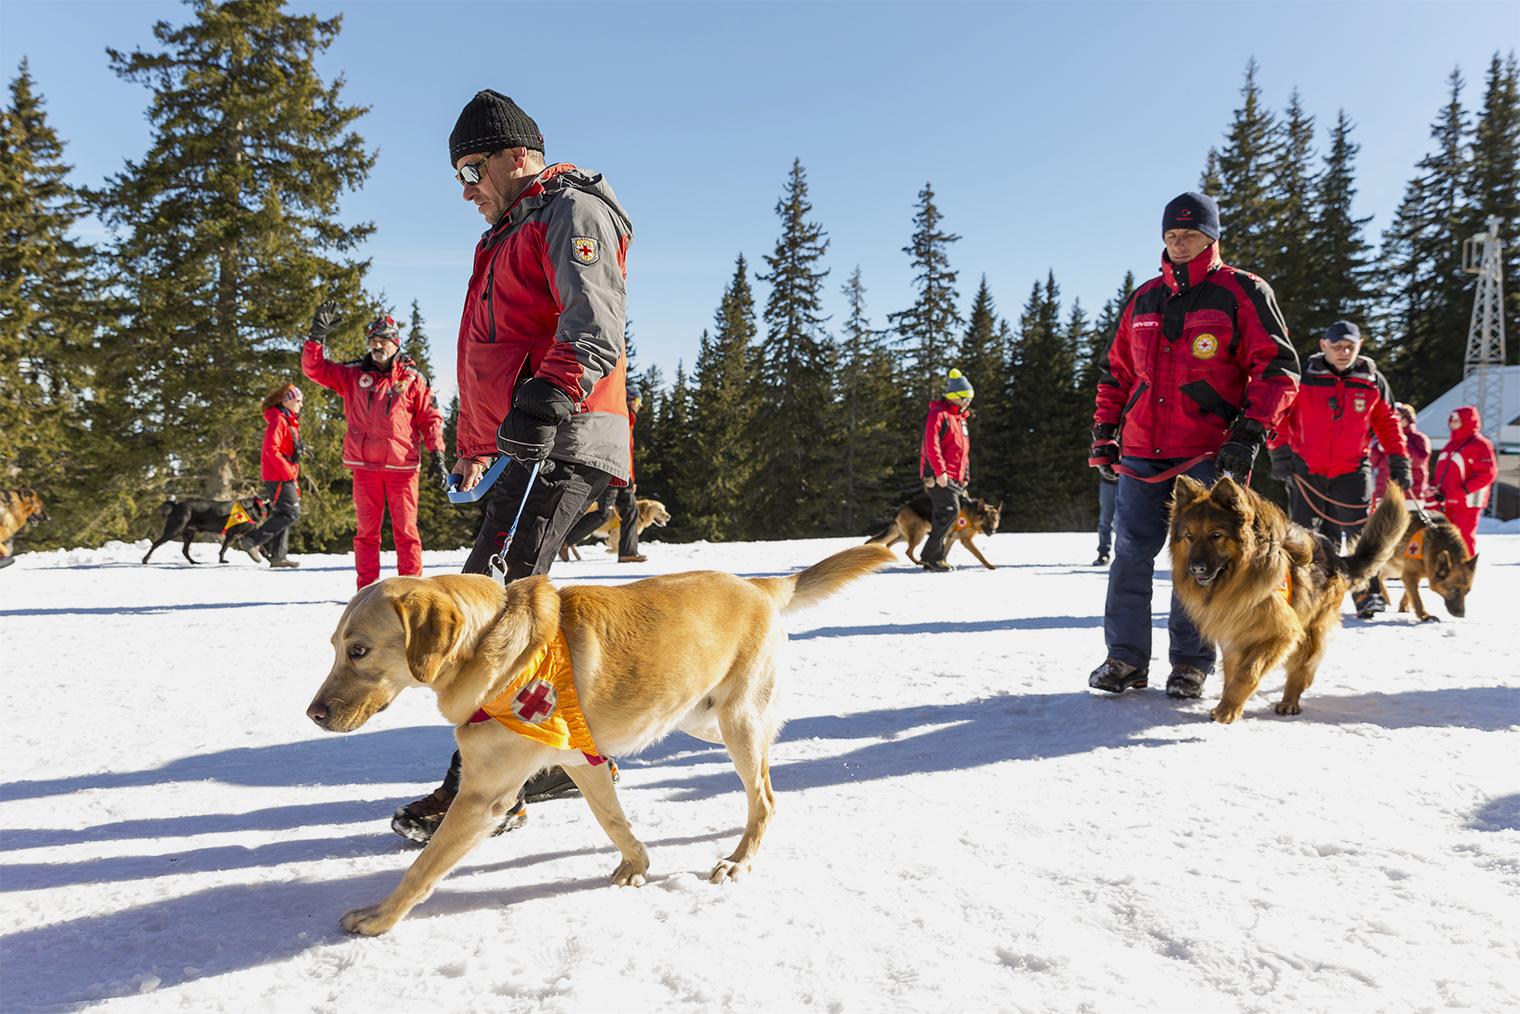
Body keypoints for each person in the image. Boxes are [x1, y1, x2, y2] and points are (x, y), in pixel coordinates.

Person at [390, 90, 635, 845]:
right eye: (457, 174)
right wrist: (477, 441)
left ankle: (486, 790)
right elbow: (493, 352)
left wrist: (546, 400)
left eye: (472, 168)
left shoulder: (570, 209)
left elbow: (595, 321)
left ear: (514, 154)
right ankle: (553, 760)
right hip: (522, 446)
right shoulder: (507, 230)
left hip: (564, 437)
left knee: (493, 610)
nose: (466, 189)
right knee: (502, 599)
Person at [1087, 192, 1299, 699]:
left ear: (1212, 237)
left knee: (1202, 558)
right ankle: (1124, 660)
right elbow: (1116, 374)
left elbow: (1277, 368)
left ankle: (1191, 663)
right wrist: (1104, 433)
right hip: (1141, 452)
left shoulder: (1242, 291)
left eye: (1190, 235)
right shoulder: (1143, 300)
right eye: (1171, 235)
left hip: (1210, 453)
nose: (1179, 243)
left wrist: (1249, 433)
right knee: (1131, 555)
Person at [1266, 321, 1410, 617]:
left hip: (1352, 469)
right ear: (1323, 345)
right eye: (1337, 346)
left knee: (1359, 533)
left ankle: (1367, 595)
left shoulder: (1372, 380)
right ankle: (1302, 593)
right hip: (1307, 469)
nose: (1344, 352)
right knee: (1303, 535)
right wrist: (1279, 453)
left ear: (1359, 346)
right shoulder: (1303, 377)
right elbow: (1280, 415)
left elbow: (1387, 423)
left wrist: (1399, 459)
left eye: (1350, 346)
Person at [302, 305, 447, 590]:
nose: (377, 345)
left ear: (396, 343)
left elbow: (430, 418)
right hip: (365, 467)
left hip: (402, 467)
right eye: (373, 340)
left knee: (406, 532)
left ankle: (410, 590)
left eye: (383, 339)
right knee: (366, 533)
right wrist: (316, 336)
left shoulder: (414, 379)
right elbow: (315, 369)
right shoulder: (354, 375)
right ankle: (366, 590)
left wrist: (437, 454)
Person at [563, 389, 646, 562]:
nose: (640, 406)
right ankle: (565, 540)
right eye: (638, 401)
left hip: (623, 472)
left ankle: (627, 552)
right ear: (630, 400)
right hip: (611, 469)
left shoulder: (629, 420)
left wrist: (631, 477)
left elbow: (628, 453)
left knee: (631, 509)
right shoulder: (619, 417)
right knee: (604, 514)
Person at [919, 368, 973, 573]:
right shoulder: (938, 414)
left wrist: (965, 474)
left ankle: (931, 556)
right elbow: (930, 445)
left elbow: (963, 450)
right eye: (964, 398)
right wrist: (938, 472)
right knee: (949, 512)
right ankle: (933, 557)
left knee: (949, 513)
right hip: (939, 475)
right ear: (954, 396)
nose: (968, 402)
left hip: (955, 477)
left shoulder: (960, 419)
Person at [245, 382, 304, 568]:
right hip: (278, 475)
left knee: (282, 512)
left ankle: (278, 557)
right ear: (286, 401)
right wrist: (287, 473)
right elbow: (271, 450)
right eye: (298, 400)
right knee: (291, 512)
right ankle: (251, 541)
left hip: (284, 473)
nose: (301, 404)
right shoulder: (279, 420)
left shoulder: (287, 419)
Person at [1428, 406, 1497, 556]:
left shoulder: (1480, 445)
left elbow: (1487, 474)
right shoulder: (1451, 445)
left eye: (1457, 420)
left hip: (1467, 502)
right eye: (1451, 419)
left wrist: (1462, 491)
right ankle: (1448, 572)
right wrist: (1435, 488)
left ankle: (1465, 572)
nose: (1452, 423)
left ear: (1467, 421)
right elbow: (1442, 473)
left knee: (1463, 538)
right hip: (1448, 501)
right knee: (1446, 539)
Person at [1369, 402, 1430, 507]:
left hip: (1410, 495)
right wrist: (1378, 449)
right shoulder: (1379, 439)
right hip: (1384, 493)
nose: (1394, 420)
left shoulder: (1418, 439)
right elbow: (1370, 462)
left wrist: (1401, 445)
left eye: (1397, 416)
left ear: (1407, 418)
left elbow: (1419, 461)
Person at [1093, 470, 1118, 566]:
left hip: (1128, 481)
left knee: (1124, 521)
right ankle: (1103, 553)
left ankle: (1126, 555)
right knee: (1105, 520)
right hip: (1108, 482)